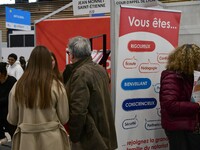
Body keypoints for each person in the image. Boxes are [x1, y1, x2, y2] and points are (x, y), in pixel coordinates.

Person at [7, 46, 71, 150]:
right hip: (52, 139)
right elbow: (64, 118)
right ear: (48, 62)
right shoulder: (57, 86)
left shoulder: (17, 86)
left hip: (26, 140)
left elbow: (12, 119)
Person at [64, 36, 118, 150]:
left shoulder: (80, 73)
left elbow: (78, 110)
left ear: (72, 55)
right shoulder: (100, 69)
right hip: (103, 129)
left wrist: (74, 136)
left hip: (90, 136)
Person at [159, 44, 200, 150]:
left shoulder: (189, 75)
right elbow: (170, 105)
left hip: (189, 126)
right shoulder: (172, 77)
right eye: (197, 61)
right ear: (190, 62)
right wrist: (196, 106)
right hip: (178, 128)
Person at [0, 62, 17, 145]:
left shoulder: (12, 81)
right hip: (1, 109)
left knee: (13, 132)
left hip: (10, 110)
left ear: (1, 73)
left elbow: (13, 97)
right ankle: (2, 136)